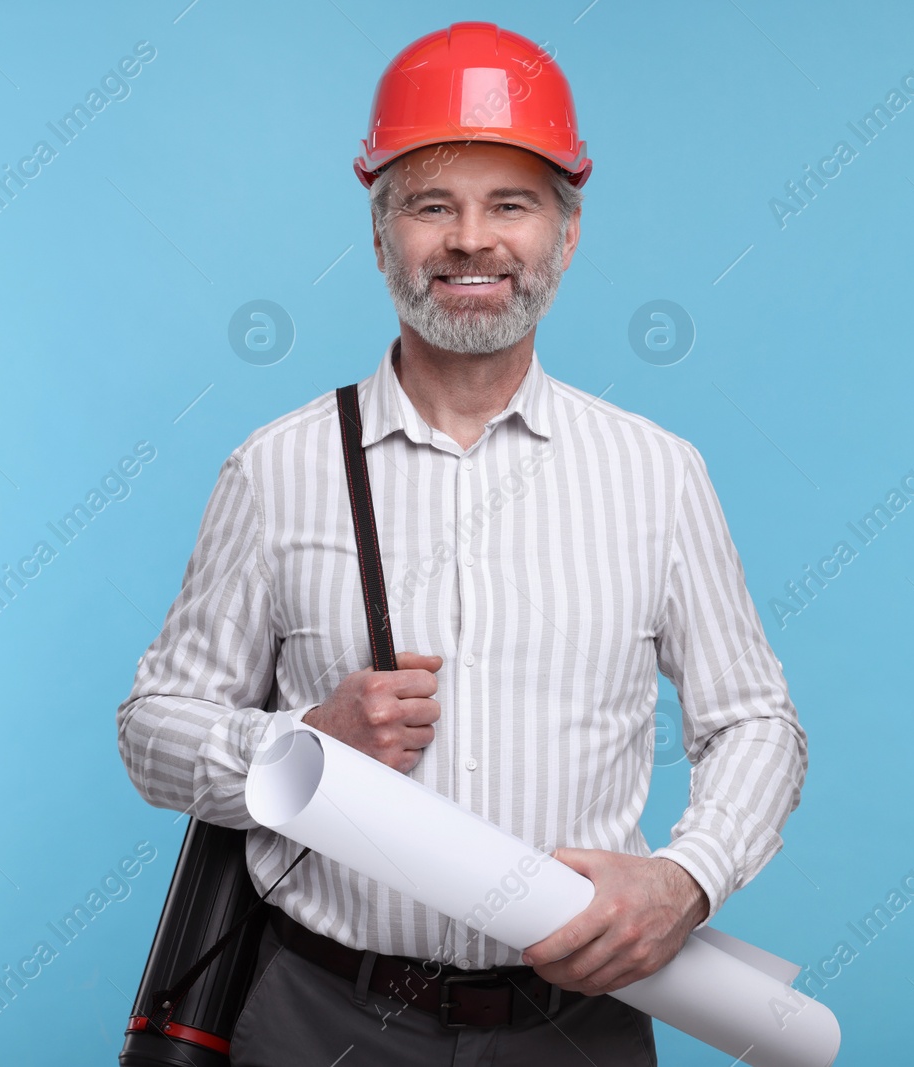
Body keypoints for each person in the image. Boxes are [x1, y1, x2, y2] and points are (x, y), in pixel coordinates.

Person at [116, 21, 807, 1066]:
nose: (470, 240)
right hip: (320, 1017)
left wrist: (687, 876)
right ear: (383, 232)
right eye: (431, 204)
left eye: (511, 205)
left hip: (574, 1030)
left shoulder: (657, 473)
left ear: (565, 236)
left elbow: (757, 721)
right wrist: (302, 745)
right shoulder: (277, 467)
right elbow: (153, 727)